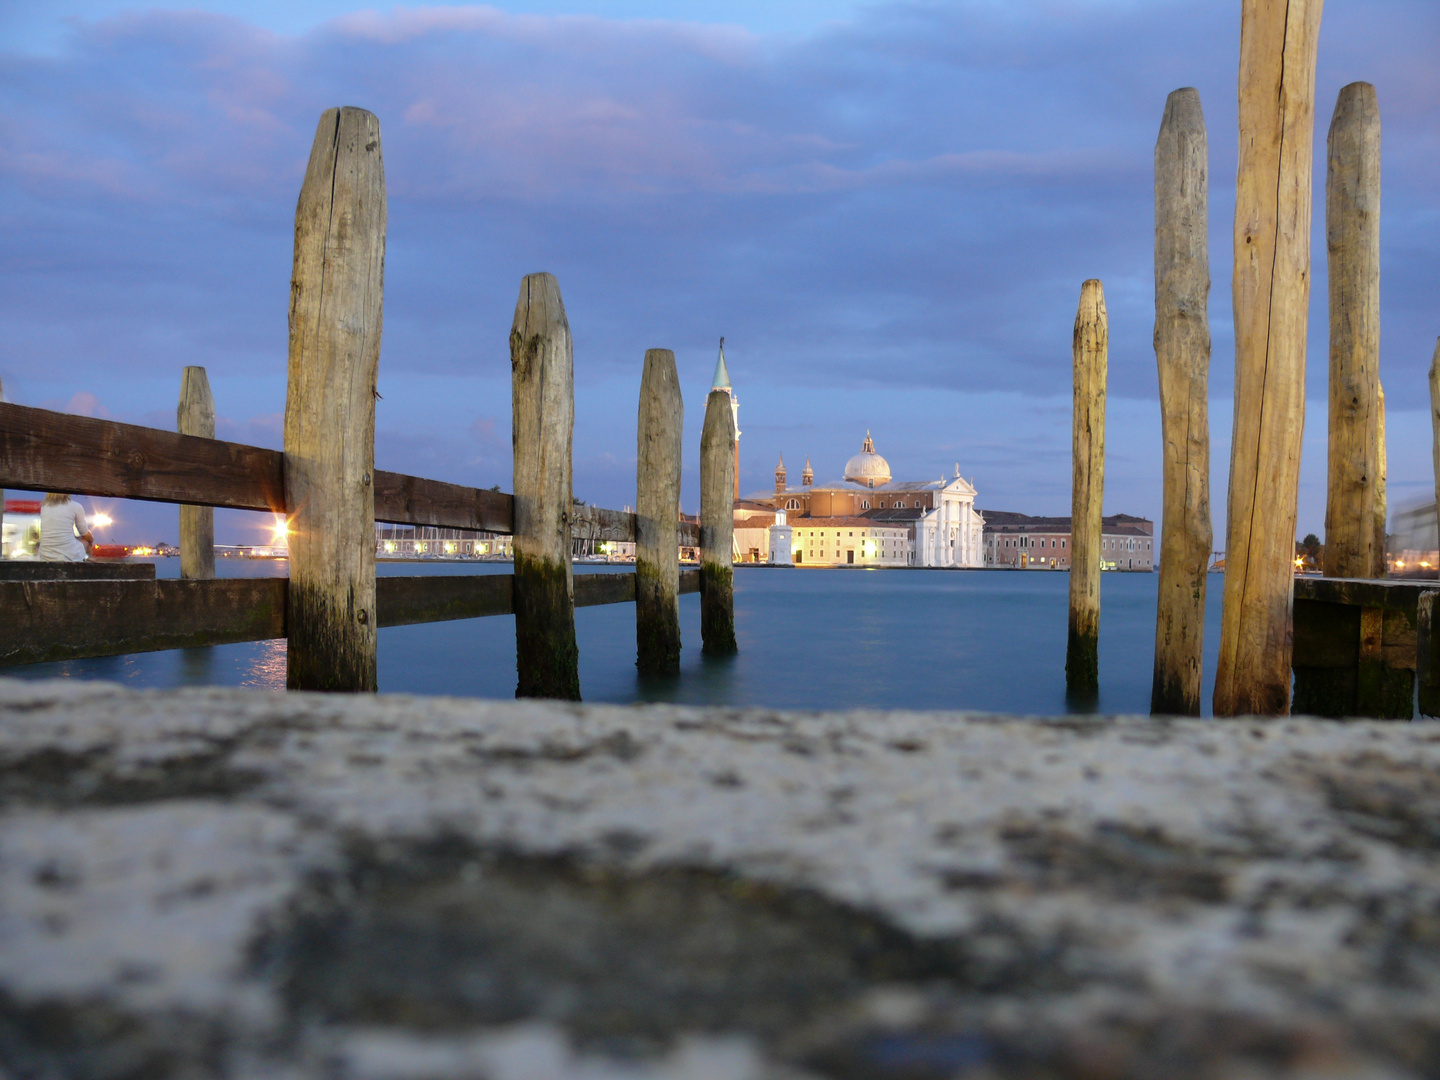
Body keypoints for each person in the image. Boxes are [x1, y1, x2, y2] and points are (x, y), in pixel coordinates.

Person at [38, 493, 93, 561]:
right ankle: (91, 563)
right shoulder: (75, 506)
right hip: (67, 555)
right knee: (86, 543)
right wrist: (91, 539)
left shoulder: (44, 506)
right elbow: (84, 533)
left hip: (45, 555)